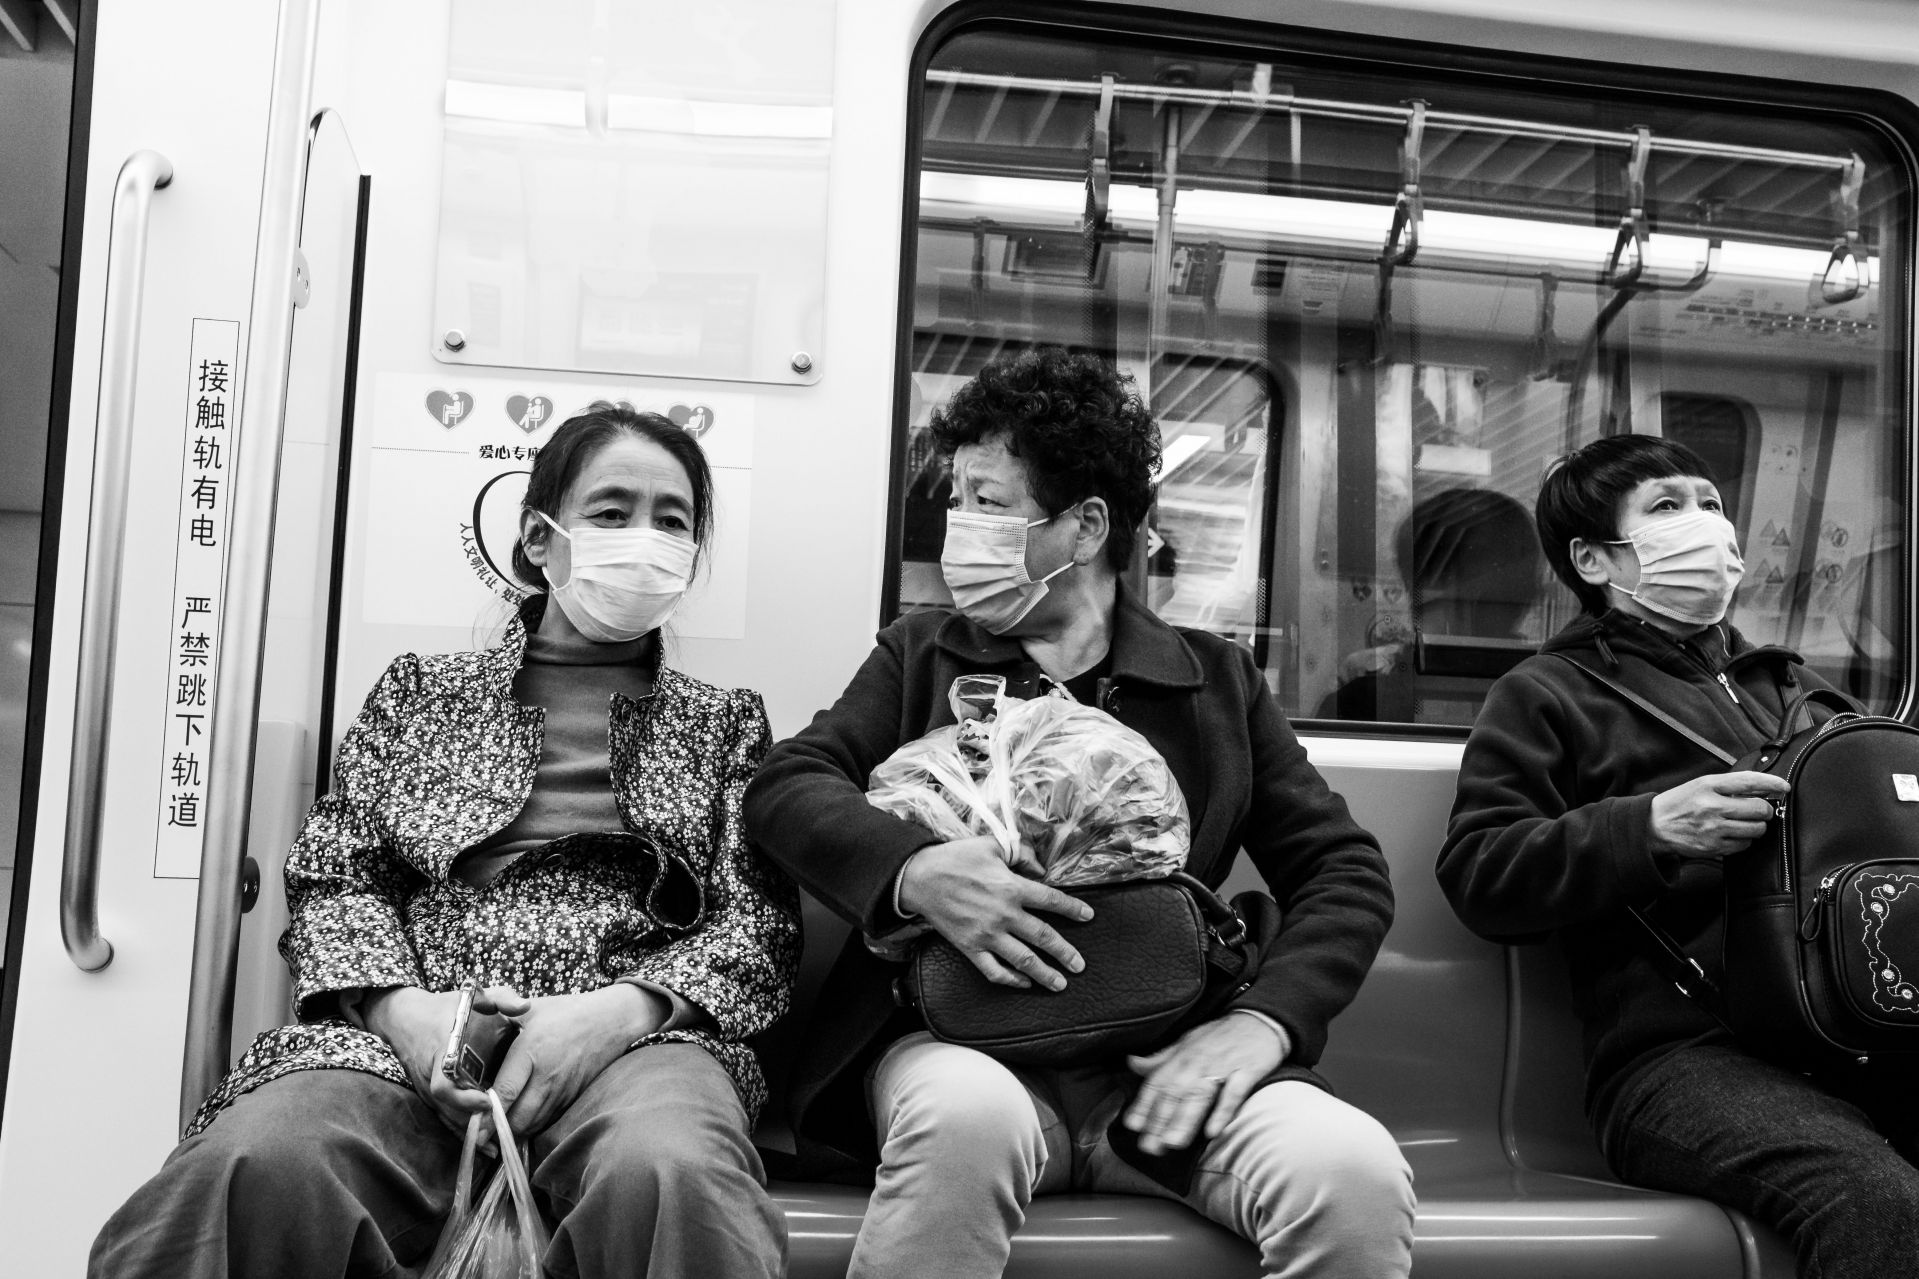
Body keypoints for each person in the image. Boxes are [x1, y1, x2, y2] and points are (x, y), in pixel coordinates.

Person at [745, 348, 1414, 1279]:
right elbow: (786, 785)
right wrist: (914, 872)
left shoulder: (1213, 682)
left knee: (1352, 1174)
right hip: (957, 1042)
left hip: (1161, 1065)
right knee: (962, 1124)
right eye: (959, 499)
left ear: (1084, 527)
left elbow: (1343, 871)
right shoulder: (923, 655)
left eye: (988, 500)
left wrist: (1263, 1024)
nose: (959, 526)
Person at [91, 402, 800, 1279]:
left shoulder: (725, 724)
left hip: (633, 1040)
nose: (644, 537)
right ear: (541, 539)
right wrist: (405, 1013)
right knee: (258, 1164)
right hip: (412, 1024)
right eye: (612, 512)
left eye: (672, 519)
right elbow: (337, 876)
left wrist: (615, 1014)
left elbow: (756, 926)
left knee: (673, 1174)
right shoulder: (420, 693)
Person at [1437, 433, 1919, 1278]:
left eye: (1708, 503)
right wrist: (1648, 828)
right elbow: (1480, 871)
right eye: (1666, 508)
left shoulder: (1800, 690)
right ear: (1593, 558)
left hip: (1853, 1028)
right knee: (1874, 1199)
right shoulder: (1547, 694)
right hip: (1683, 1055)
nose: (1704, 525)